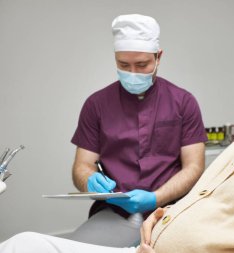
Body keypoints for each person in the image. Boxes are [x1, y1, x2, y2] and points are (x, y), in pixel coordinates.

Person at [0, 35, 234, 253]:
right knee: (22, 244)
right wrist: (159, 217)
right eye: (124, 64)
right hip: (146, 238)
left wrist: (156, 202)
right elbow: (206, 198)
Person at [64, 14, 208, 247]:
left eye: (142, 65)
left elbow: (194, 167)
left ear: (158, 57)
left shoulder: (184, 102)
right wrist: (89, 180)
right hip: (115, 213)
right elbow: (81, 165)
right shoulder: (96, 105)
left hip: (173, 210)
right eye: (123, 65)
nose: (132, 72)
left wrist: (155, 198)